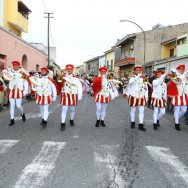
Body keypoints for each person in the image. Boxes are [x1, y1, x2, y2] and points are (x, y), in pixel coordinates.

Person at [3, 60, 28, 126]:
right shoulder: (10, 72)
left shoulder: (22, 74)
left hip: (19, 91)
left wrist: (25, 90)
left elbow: (25, 82)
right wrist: (4, 71)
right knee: (12, 106)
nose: (15, 67)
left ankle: (22, 114)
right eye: (14, 66)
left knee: (19, 105)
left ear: (18, 66)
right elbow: (5, 76)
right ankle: (12, 120)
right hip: (12, 91)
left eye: (16, 66)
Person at [59, 64, 82, 131]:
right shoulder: (63, 77)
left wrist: (79, 95)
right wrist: (62, 78)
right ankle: (62, 123)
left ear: (72, 70)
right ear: (66, 70)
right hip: (65, 95)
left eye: (70, 69)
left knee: (72, 109)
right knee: (64, 110)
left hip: (73, 95)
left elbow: (79, 87)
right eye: (68, 69)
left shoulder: (76, 78)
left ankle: (71, 120)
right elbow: (59, 83)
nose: (69, 70)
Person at [125, 65, 148, 131]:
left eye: (139, 70)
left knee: (141, 111)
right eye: (137, 70)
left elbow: (145, 88)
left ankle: (141, 124)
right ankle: (132, 122)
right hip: (134, 96)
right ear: (135, 71)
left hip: (141, 96)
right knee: (133, 110)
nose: (138, 71)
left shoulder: (143, 78)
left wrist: (146, 97)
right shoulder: (132, 77)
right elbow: (130, 82)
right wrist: (137, 76)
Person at [167, 64, 188, 131]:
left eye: (183, 69)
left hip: (184, 95)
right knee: (177, 110)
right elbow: (178, 81)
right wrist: (184, 74)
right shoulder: (174, 75)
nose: (182, 70)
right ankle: (177, 124)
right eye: (180, 69)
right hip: (177, 95)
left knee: (184, 110)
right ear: (178, 70)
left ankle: (176, 117)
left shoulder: (185, 77)